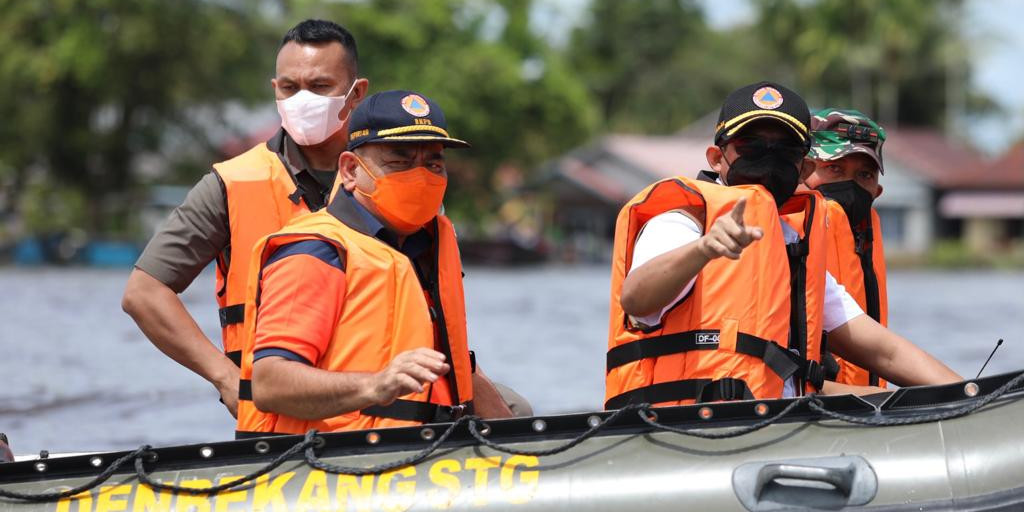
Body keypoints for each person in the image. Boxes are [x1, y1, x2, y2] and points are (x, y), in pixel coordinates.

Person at [605, 81, 961, 409]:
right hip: (684, 426)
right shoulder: (684, 219)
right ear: (716, 158)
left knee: (900, 397)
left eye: (786, 150)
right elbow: (636, 298)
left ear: (803, 168)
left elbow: (885, 353)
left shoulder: (792, 248)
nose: (768, 157)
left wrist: (971, 394)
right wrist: (706, 249)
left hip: (774, 422)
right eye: (752, 146)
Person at [121, 19, 369, 424]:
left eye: (320, 87)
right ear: (275, 91)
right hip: (277, 420)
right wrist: (226, 379)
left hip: (388, 416)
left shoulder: (389, 176)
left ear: (356, 93)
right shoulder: (231, 184)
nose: (302, 99)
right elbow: (144, 292)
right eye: (290, 88)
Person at [238, 90, 514, 435]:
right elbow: (269, 383)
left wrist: (523, 446)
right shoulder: (315, 251)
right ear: (351, 170)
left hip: (424, 439)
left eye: (434, 164)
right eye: (399, 162)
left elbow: (451, 365)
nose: (421, 175)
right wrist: (376, 386)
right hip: (331, 460)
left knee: (519, 408)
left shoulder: (423, 246)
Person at [807, 109, 891, 388]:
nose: (849, 184)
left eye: (864, 174)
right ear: (804, 170)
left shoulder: (865, 238)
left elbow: (887, 354)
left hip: (862, 407)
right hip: (805, 404)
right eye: (834, 168)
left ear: (876, 191)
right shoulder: (779, 235)